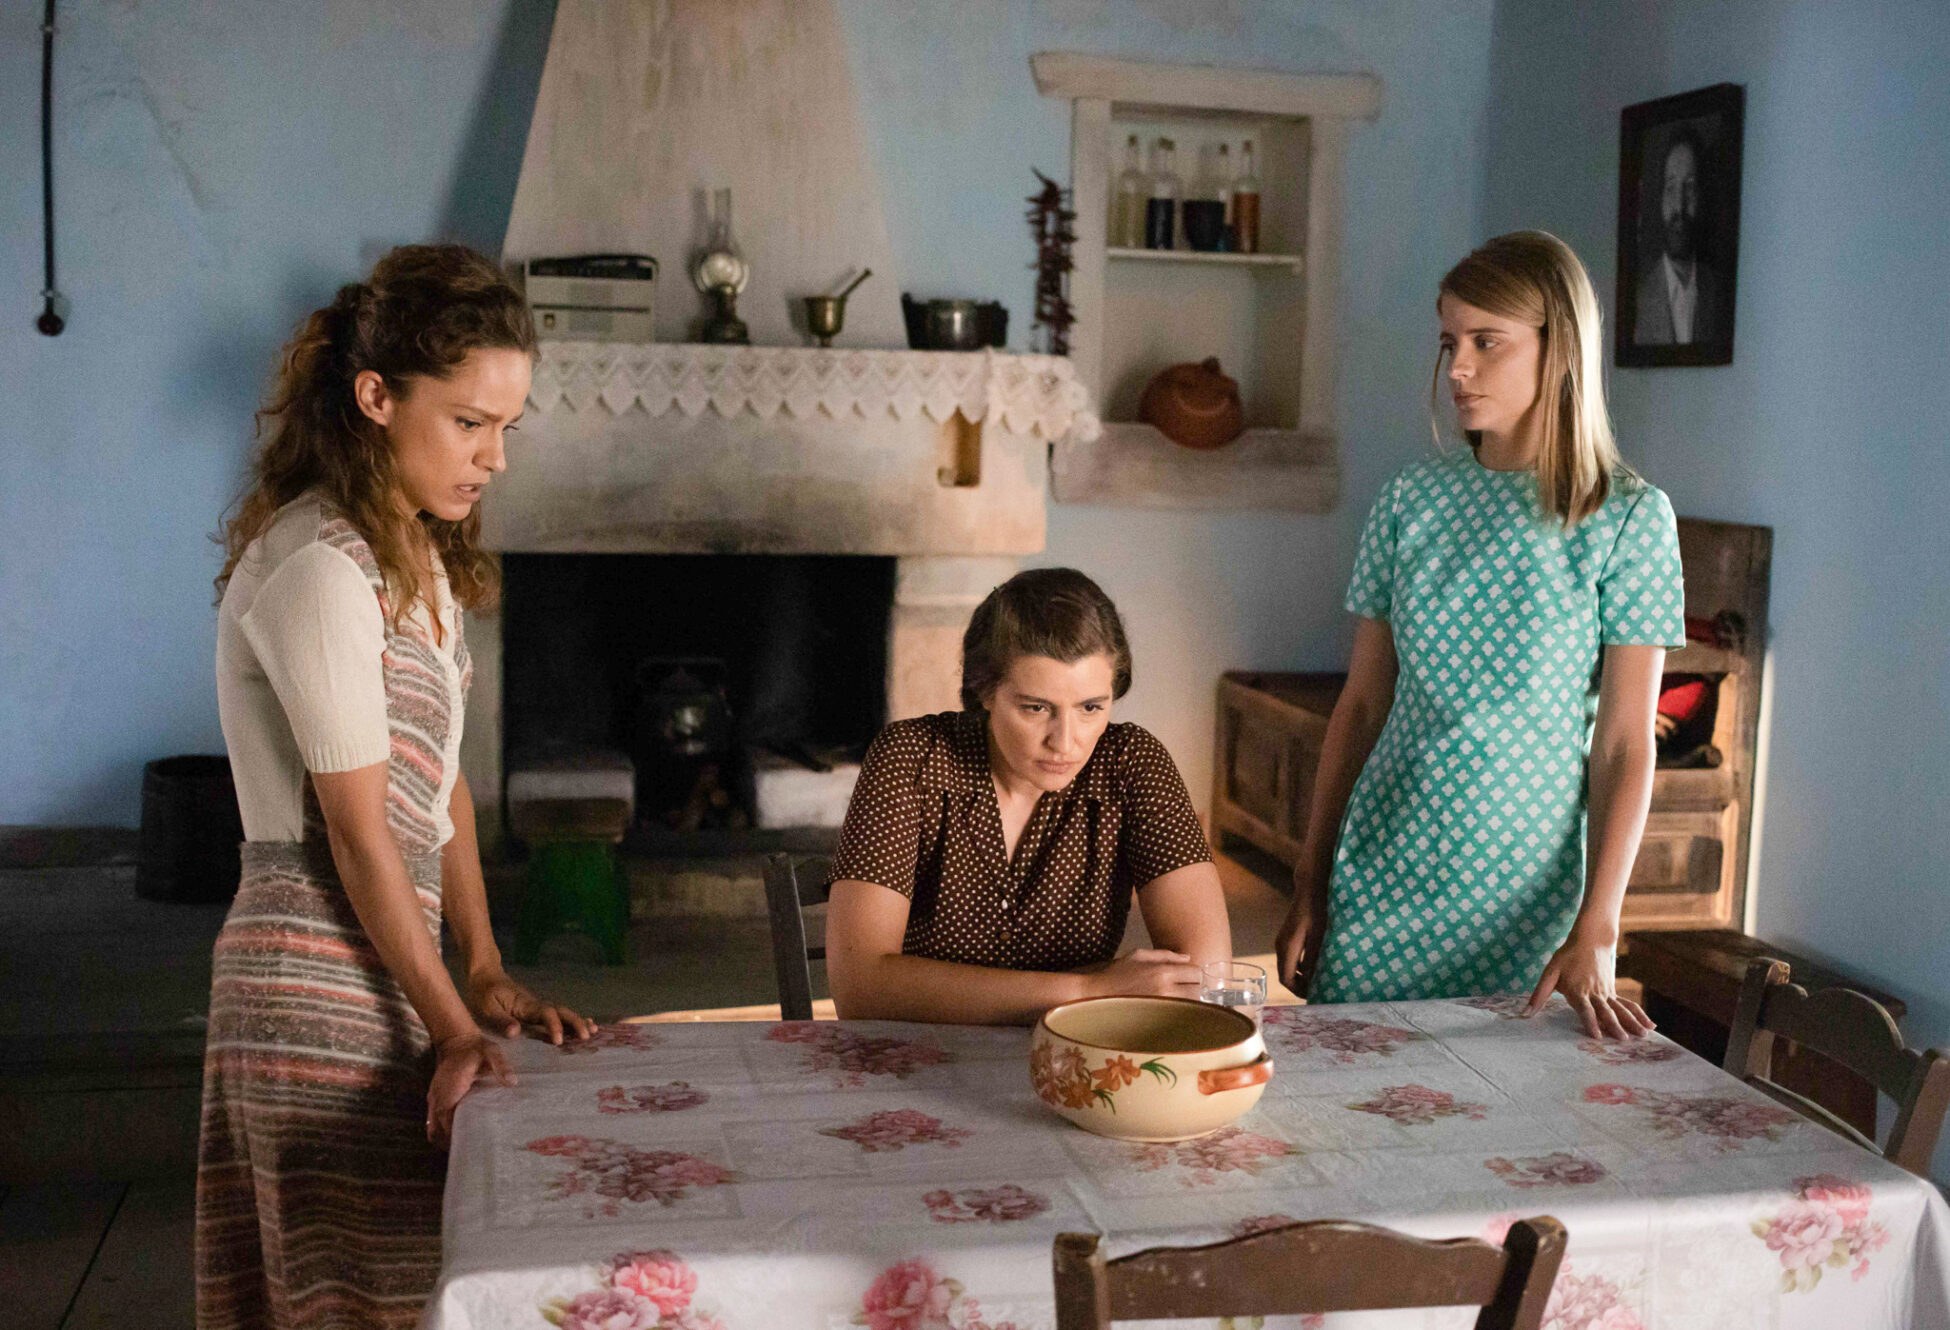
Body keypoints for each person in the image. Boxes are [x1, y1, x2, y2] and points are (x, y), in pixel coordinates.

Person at [198, 244, 594, 1330]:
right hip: (310, 985)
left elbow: (442, 792)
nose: (494, 457)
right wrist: (454, 1026)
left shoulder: (416, 565)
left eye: (507, 427)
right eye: (469, 422)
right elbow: (360, 833)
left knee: (417, 1294)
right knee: (350, 1302)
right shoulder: (319, 564)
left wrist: (484, 968)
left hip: (396, 974)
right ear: (376, 396)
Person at [1274, 231, 1685, 1040]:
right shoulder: (1409, 502)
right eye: (1448, 342)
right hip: (1384, 871)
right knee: (1350, 1092)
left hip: (1525, 899)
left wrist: (1599, 923)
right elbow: (1361, 706)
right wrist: (1309, 881)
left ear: (1559, 347)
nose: (1457, 368)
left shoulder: (1628, 518)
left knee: (1509, 1103)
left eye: (1486, 342)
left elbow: (1623, 743)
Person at [824, 568, 1231, 1025]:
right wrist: (1092, 989)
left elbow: (1206, 976)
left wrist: (933, 988)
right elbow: (860, 990)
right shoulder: (912, 756)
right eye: (1036, 708)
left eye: (1091, 707)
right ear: (984, 690)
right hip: (920, 1052)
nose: (1065, 742)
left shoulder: (1131, 763)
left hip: (1081, 1050)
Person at [1635, 127, 1724, 345]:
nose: (1679, 206)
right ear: (1659, 198)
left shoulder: (1718, 293)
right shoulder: (1638, 300)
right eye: (1671, 188)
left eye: (1689, 188)